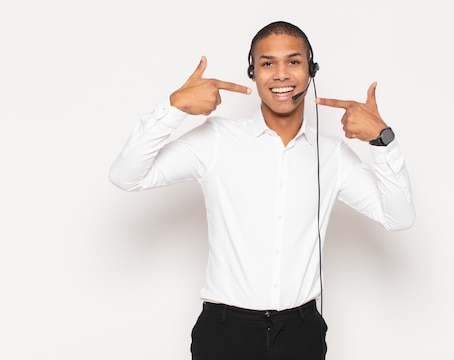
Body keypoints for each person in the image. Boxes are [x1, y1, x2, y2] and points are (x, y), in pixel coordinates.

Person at [109, 20, 415, 360]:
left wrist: (383, 140)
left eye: (293, 61)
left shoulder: (331, 155)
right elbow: (127, 176)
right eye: (268, 63)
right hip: (225, 333)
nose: (281, 74)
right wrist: (173, 108)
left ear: (311, 70)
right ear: (253, 72)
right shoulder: (217, 140)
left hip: (301, 333)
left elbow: (398, 217)